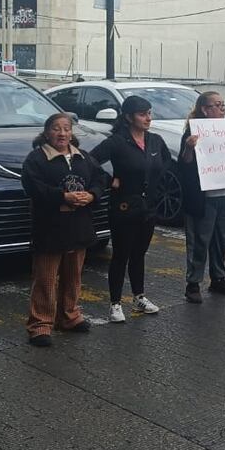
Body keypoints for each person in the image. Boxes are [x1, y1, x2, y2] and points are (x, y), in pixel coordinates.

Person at [20, 113, 103, 347]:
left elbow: (100, 178)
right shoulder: (36, 159)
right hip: (50, 227)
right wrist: (62, 196)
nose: (62, 133)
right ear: (47, 133)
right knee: (45, 278)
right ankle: (40, 325)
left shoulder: (83, 157)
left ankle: (69, 316)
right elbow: (32, 186)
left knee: (73, 275)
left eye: (66, 129)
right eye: (56, 129)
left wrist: (92, 194)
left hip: (79, 225)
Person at [90, 95, 170, 321]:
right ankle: (115, 303)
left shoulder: (155, 140)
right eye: (142, 114)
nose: (148, 118)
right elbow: (89, 160)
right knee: (121, 255)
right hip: (124, 207)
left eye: (149, 113)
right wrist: (109, 180)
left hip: (148, 207)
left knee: (139, 254)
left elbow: (165, 163)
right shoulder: (117, 141)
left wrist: (154, 183)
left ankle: (138, 296)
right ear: (128, 117)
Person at [178, 91, 225, 304]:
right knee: (200, 240)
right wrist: (189, 147)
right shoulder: (194, 130)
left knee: (221, 240)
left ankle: (218, 278)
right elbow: (184, 163)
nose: (222, 108)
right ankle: (193, 283)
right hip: (204, 196)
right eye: (217, 105)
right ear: (205, 110)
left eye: (223, 104)